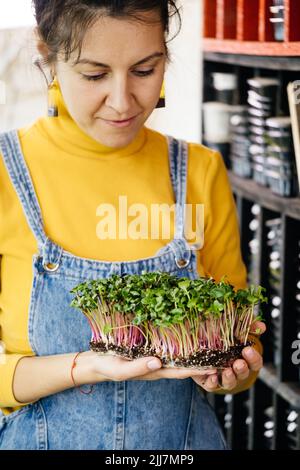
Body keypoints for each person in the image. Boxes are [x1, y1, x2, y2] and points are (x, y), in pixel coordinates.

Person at [0, 0, 265, 450]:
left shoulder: (200, 171)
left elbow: (241, 357)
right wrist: (91, 365)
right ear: (48, 54)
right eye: (94, 74)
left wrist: (229, 375)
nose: (123, 101)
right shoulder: (7, 173)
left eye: (145, 70)